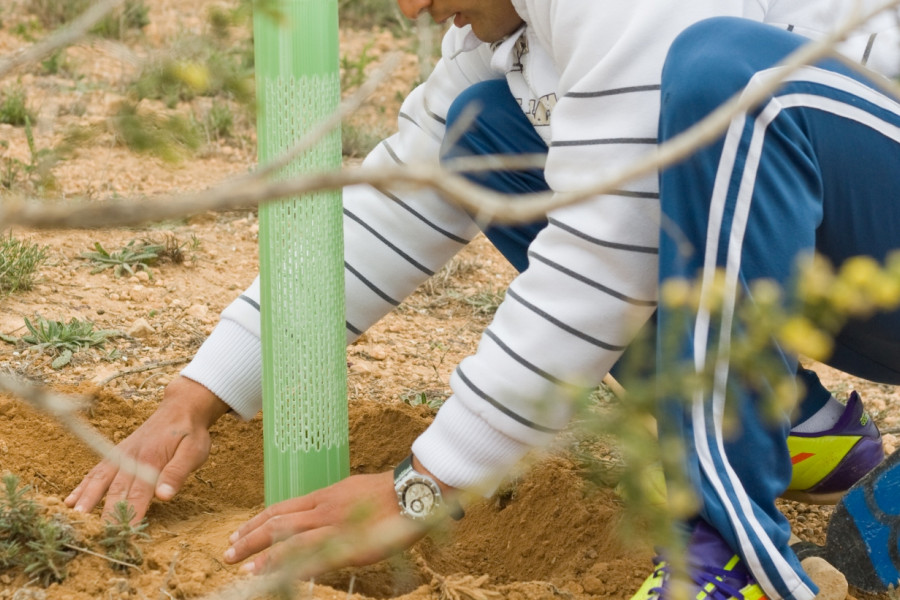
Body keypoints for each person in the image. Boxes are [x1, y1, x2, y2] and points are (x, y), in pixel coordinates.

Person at [63, 1, 900, 598]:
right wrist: (197, 395)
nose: (413, 5)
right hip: (854, 262)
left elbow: (604, 255)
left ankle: (734, 556)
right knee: (481, 128)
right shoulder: (519, 34)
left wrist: (425, 483)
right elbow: (397, 203)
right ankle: (785, 425)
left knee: (726, 84)